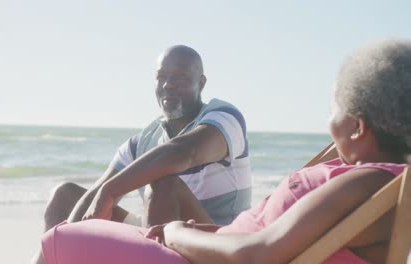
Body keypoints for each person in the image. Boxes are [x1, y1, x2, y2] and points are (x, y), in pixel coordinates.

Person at [39, 38, 411, 264]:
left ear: (358, 126)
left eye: (332, 111)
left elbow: (256, 254)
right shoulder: (368, 179)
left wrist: (173, 233)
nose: (168, 85)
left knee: (61, 240)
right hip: (209, 241)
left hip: (200, 252)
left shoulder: (366, 182)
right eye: (162, 77)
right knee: (66, 208)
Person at [42, 45, 252, 230]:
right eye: (162, 77)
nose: (168, 84)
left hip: (219, 244)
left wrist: (110, 191)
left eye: (180, 76)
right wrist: (66, 236)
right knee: (65, 197)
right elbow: (95, 196)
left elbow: (184, 152)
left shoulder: (224, 117)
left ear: (202, 82)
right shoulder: (139, 144)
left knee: (162, 182)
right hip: (156, 232)